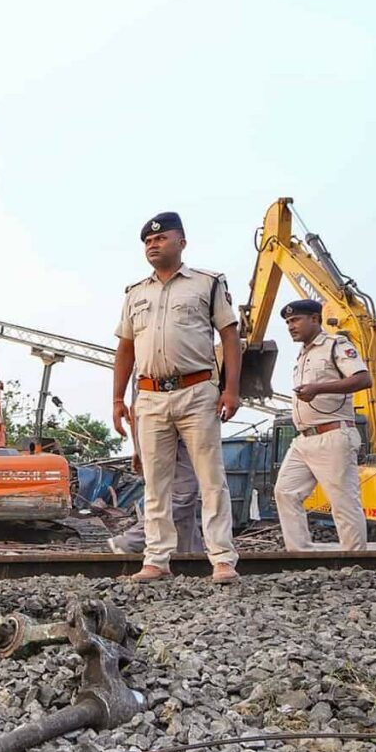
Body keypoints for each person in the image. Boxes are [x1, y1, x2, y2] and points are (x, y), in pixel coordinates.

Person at [112, 210, 240, 584]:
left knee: (211, 479)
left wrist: (231, 389)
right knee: (155, 482)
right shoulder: (135, 293)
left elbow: (229, 336)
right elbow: (125, 349)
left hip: (198, 391)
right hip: (150, 395)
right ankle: (156, 559)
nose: (153, 244)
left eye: (160, 238)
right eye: (148, 242)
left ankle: (222, 560)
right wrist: (118, 399)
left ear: (181, 242)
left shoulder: (207, 284)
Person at [272, 300, 371, 551]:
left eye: (295, 320)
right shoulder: (304, 353)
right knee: (286, 491)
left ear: (315, 319)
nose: (290, 326)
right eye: (287, 322)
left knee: (342, 500)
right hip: (304, 438)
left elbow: (363, 378)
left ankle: (355, 557)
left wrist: (318, 388)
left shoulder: (335, 345)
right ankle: (300, 552)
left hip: (332, 433)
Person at [107, 437, 205, 554]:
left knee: (182, 499)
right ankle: (132, 540)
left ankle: (190, 551)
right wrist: (138, 449)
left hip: (170, 437)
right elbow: (135, 418)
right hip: (175, 435)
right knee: (184, 496)